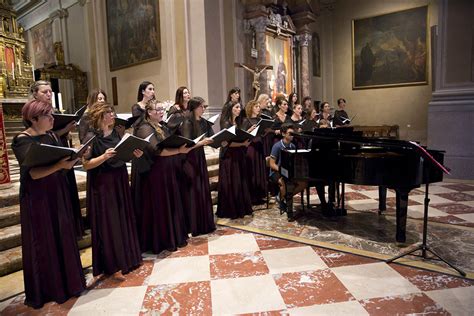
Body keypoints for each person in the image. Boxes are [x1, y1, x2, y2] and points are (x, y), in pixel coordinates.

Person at [12, 99, 86, 308]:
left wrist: (75, 158)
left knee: (62, 234)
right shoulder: (22, 141)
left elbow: (61, 162)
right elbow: (34, 174)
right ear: (34, 119)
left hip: (57, 191)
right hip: (37, 198)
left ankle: (69, 283)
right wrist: (60, 165)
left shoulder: (52, 135)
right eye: (48, 116)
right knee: (44, 241)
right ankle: (50, 288)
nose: (53, 119)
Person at [82, 102, 142, 281]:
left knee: (123, 216)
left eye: (112, 112)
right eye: (108, 113)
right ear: (99, 116)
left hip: (119, 179)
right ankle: (111, 262)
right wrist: (103, 157)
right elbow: (86, 164)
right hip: (103, 184)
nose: (112, 115)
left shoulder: (116, 132)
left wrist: (133, 154)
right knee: (109, 221)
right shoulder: (91, 136)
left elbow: (121, 154)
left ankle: (127, 256)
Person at [133, 99, 190, 252]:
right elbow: (156, 150)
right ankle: (161, 240)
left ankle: (172, 236)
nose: (160, 112)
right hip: (155, 174)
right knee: (160, 206)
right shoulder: (144, 128)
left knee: (169, 204)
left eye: (161, 109)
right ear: (149, 112)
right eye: (157, 109)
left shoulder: (161, 126)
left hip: (166, 172)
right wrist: (179, 151)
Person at [30, 80, 84, 238]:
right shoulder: (32, 115)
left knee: (68, 189)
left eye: (50, 91)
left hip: (61, 151)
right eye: (44, 92)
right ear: (35, 94)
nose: (48, 94)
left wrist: (67, 131)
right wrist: (65, 129)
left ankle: (73, 228)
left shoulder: (53, 110)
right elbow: (44, 138)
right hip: (48, 156)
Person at [179, 97, 216, 235]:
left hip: (199, 157)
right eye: (202, 106)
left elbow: (212, 137)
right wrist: (202, 142)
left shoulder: (203, 122)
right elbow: (187, 144)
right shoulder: (187, 121)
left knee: (202, 187)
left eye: (205, 106)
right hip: (189, 158)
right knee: (193, 189)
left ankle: (204, 222)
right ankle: (193, 224)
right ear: (195, 107)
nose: (204, 109)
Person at [216, 102, 253, 219]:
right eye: (236, 107)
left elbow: (238, 136)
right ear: (230, 109)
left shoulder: (237, 122)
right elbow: (227, 144)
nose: (239, 109)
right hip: (229, 156)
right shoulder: (226, 123)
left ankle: (240, 207)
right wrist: (243, 143)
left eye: (239, 107)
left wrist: (249, 133)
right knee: (232, 182)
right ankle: (231, 209)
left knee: (239, 181)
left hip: (237, 155)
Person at [268, 123, 307, 212]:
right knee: (283, 183)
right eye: (290, 133)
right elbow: (271, 164)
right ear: (283, 134)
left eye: (293, 134)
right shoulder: (277, 146)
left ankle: (283, 196)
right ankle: (281, 199)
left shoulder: (292, 146)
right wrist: (282, 170)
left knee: (303, 183)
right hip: (276, 171)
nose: (292, 136)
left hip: (288, 171)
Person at [242, 100, 267, 205]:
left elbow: (261, 134)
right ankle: (252, 196)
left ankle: (259, 195)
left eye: (258, 106)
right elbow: (243, 135)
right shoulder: (246, 120)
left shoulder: (260, 120)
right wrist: (250, 130)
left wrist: (265, 131)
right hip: (251, 148)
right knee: (252, 170)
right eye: (256, 106)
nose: (258, 108)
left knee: (259, 171)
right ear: (250, 108)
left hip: (259, 147)